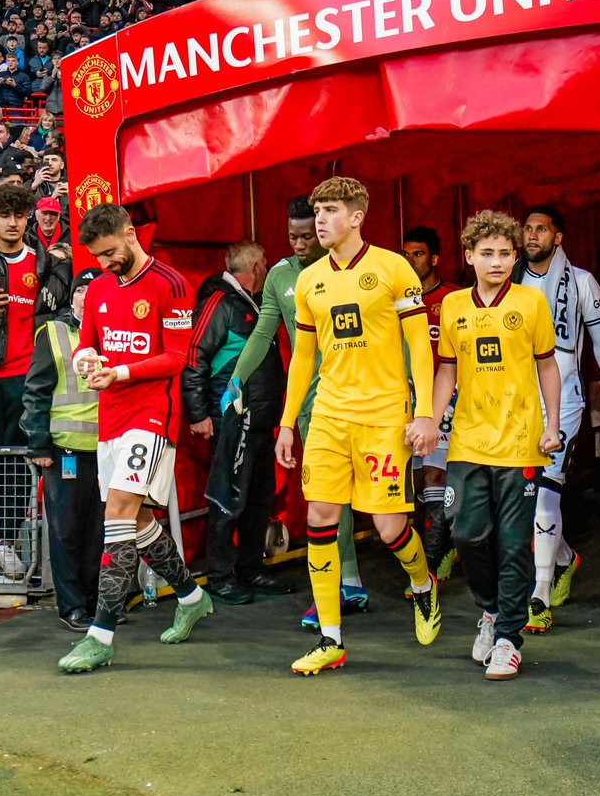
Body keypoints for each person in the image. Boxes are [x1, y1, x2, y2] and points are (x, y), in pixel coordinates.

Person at [273, 176, 439, 676]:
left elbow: (419, 348)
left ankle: (423, 585)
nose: (320, 220)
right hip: (328, 416)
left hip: (384, 416)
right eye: (317, 211)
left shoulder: (394, 269)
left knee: (389, 527)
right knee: (320, 515)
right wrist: (287, 423)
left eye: (330, 210)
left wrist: (424, 411)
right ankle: (330, 638)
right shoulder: (309, 280)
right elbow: (304, 356)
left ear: (357, 216)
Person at [57, 203, 213, 674]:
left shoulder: (171, 284)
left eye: (109, 252)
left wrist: (119, 370)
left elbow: (177, 357)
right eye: (98, 256)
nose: (104, 263)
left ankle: (100, 634)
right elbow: (88, 340)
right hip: (111, 418)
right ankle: (191, 595)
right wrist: (87, 359)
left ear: (130, 234)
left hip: (151, 416)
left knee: (118, 514)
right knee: (139, 521)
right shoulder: (101, 286)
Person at [225, 195, 370, 627]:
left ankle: (408, 578)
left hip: (364, 396)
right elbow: (265, 331)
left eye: (309, 235)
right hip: (313, 401)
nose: (302, 243)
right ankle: (343, 586)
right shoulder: (281, 278)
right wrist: (238, 376)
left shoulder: (352, 269)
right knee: (326, 497)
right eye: (293, 236)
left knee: (384, 507)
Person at [432, 210, 561, 680]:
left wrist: (551, 424)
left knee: (513, 545)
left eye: (505, 253)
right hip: (467, 441)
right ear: (468, 256)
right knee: (466, 534)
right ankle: (489, 610)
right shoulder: (452, 306)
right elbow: (446, 368)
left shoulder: (530, 303)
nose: (497, 261)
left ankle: (508, 636)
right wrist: (429, 417)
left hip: (521, 443)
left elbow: (548, 365)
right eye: (487, 253)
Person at [513, 205, 600, 632]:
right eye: (526, 229)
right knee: (520, 494)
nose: (531, 236)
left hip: (563, 399)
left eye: (540, 229)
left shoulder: (581, 282)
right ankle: (564, 558)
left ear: (558, 237)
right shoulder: (507, 280)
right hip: (513, 398)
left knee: (546, 490)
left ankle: (539, 594)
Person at [181, 241, 287, 604]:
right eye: (267, 264)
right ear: (257, 268)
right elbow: (193, 358)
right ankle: (221, 576)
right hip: (231, 421)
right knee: (229, 499)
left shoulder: (249, 301)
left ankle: (249, 569)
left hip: (259, 420)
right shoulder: (219, 302)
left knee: (258, 500)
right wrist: (198, 415)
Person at [0, 183, 62, 577]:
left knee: (17, 465)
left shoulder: (43, 263)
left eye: (19, 215)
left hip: (25, 377)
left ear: (28, 219)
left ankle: (6, 545)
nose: (12, 222)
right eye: (4, 215)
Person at [21, 268, 104, 631]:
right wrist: (39, 444)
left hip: (108, 449)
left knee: (100, 533)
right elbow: (36, 391)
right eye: (82, 289)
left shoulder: (111, 334)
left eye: (95, 289)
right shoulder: (54, 333)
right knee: (67, 532)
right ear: (72, 296)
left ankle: (93, 603)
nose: (88, 296)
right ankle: (72, 607)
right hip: (65, 449)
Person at [402, 224, 460, 578]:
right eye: (405, 253)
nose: (409, 260)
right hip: (403, 398)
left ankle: (433, 563)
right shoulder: (393, 300)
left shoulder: (453, 298)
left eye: (418, 254)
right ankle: (441, 548)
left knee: (435, 474)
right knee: (413, 479)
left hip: (446, 398)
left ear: (435, 259)